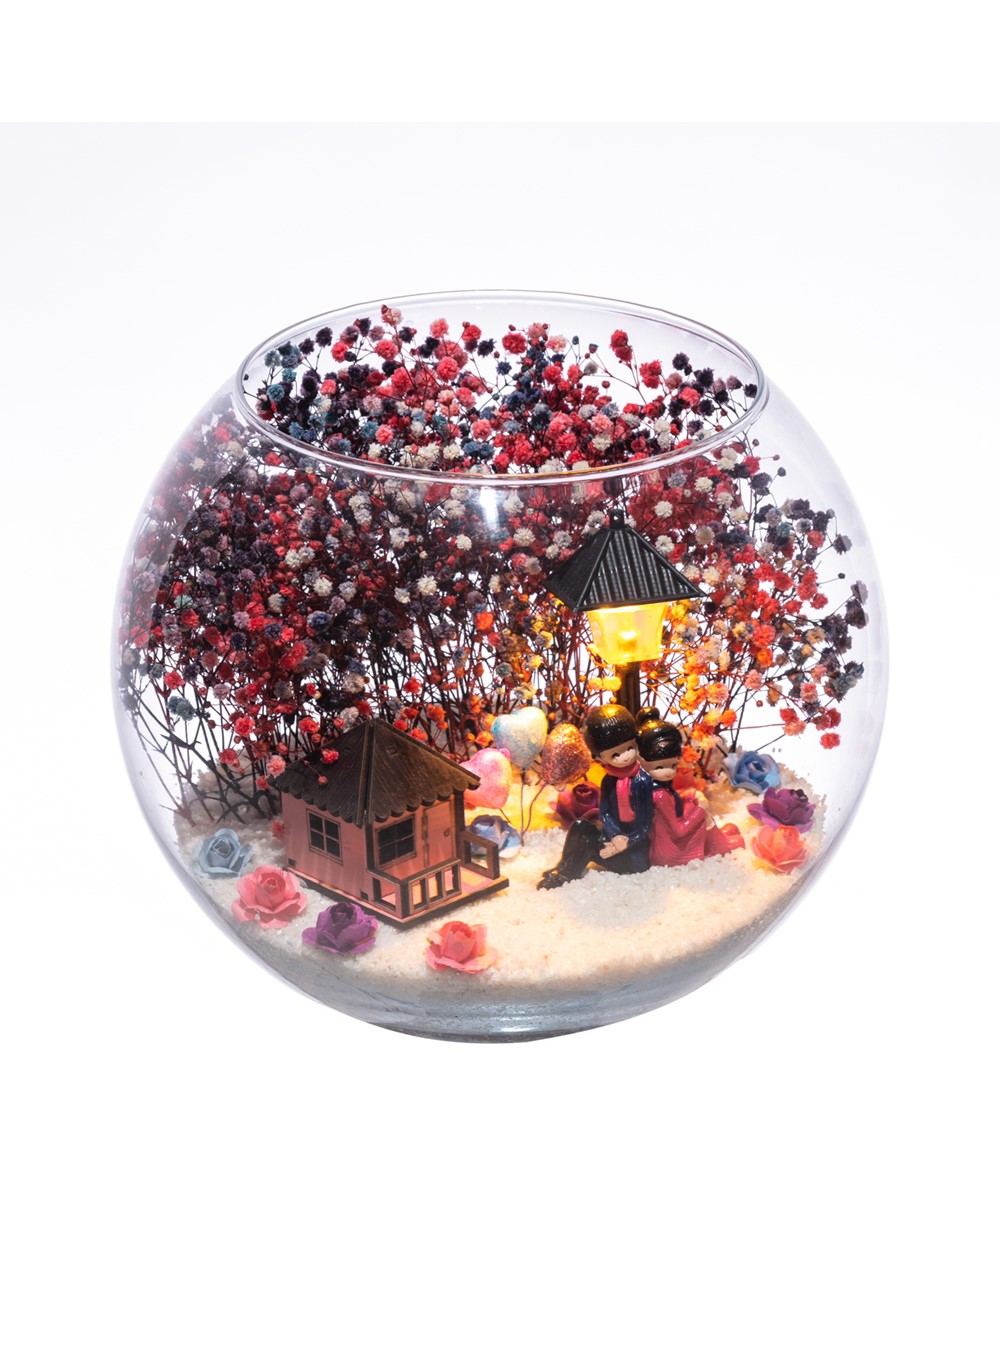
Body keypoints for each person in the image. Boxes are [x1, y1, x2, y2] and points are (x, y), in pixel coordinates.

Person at [537, 704, 653, 889]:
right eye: (615, 754)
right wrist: (615, 836)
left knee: (588, 844)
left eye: (630, 748)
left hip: (633, 855)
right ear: (600, 758)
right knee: (580, 826)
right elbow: (605, 813)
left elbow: (646, 822)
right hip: (614, 840)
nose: (625, 756)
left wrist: (625, 841)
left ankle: (566, 876)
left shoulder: (642, 780)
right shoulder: (609, 780)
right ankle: (563, 866)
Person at [636, 713, 744, 867]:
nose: (669, 772)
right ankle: (717, 846)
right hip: (670, 853)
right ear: (641, 763)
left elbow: (672, 802)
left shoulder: (656, 788)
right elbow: (679, 830)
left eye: (673, 765)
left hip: (664, 843)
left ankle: (717, 839)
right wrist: (700, 810)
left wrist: (690, 794)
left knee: (691, 803)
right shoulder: (658, 795)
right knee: (696, 811)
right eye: (659, 767)